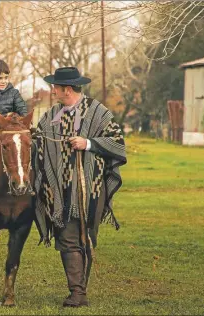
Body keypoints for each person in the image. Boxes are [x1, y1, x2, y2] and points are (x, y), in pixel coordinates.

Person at [32, 67, 127, 307]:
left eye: (55, 87)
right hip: (59, 192)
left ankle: (79, 291)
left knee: (85, 238)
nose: (53, 90)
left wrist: (88, 143)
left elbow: (118, 143)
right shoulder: (51, 114)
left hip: (90, 190)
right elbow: (38, 141)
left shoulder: (97, 112)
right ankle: (78, 293)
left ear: (67, 89)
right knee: (67, 237)